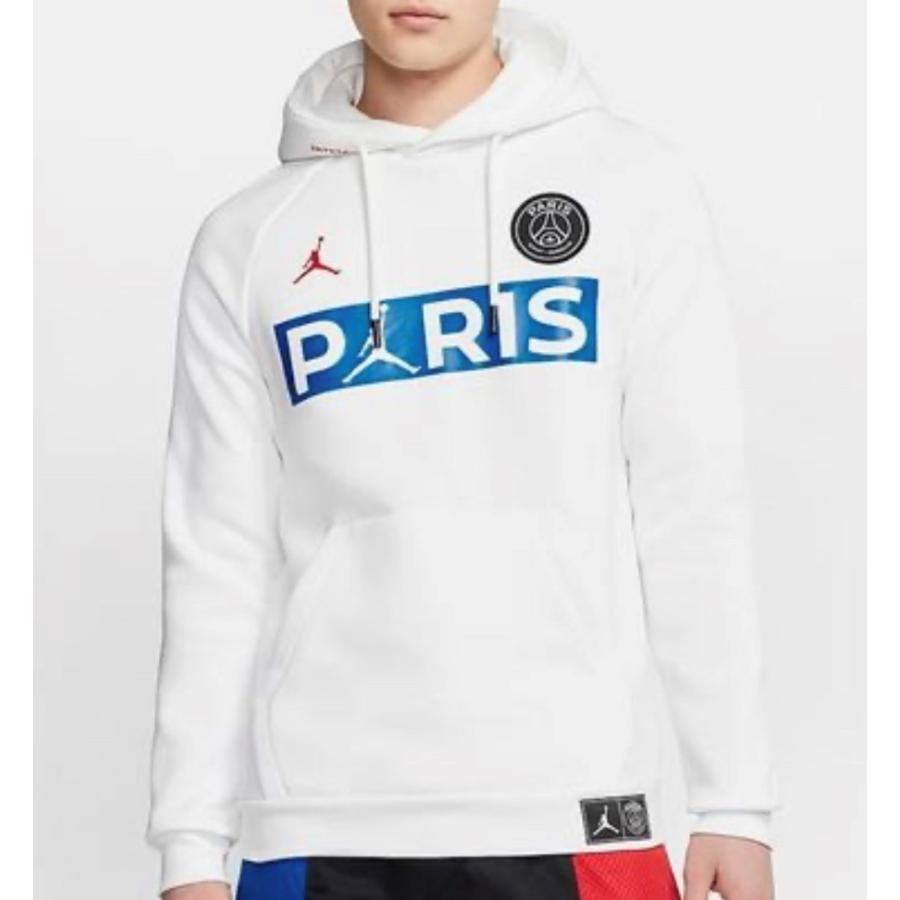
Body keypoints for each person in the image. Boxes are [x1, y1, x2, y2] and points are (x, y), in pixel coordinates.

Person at [146, 2, 778, 898]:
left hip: (575, 806)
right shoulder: (251, 239)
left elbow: (692, 505)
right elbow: (216, 549)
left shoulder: (631, 186)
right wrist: (189, 845)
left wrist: (734, 802)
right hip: (318, 819)